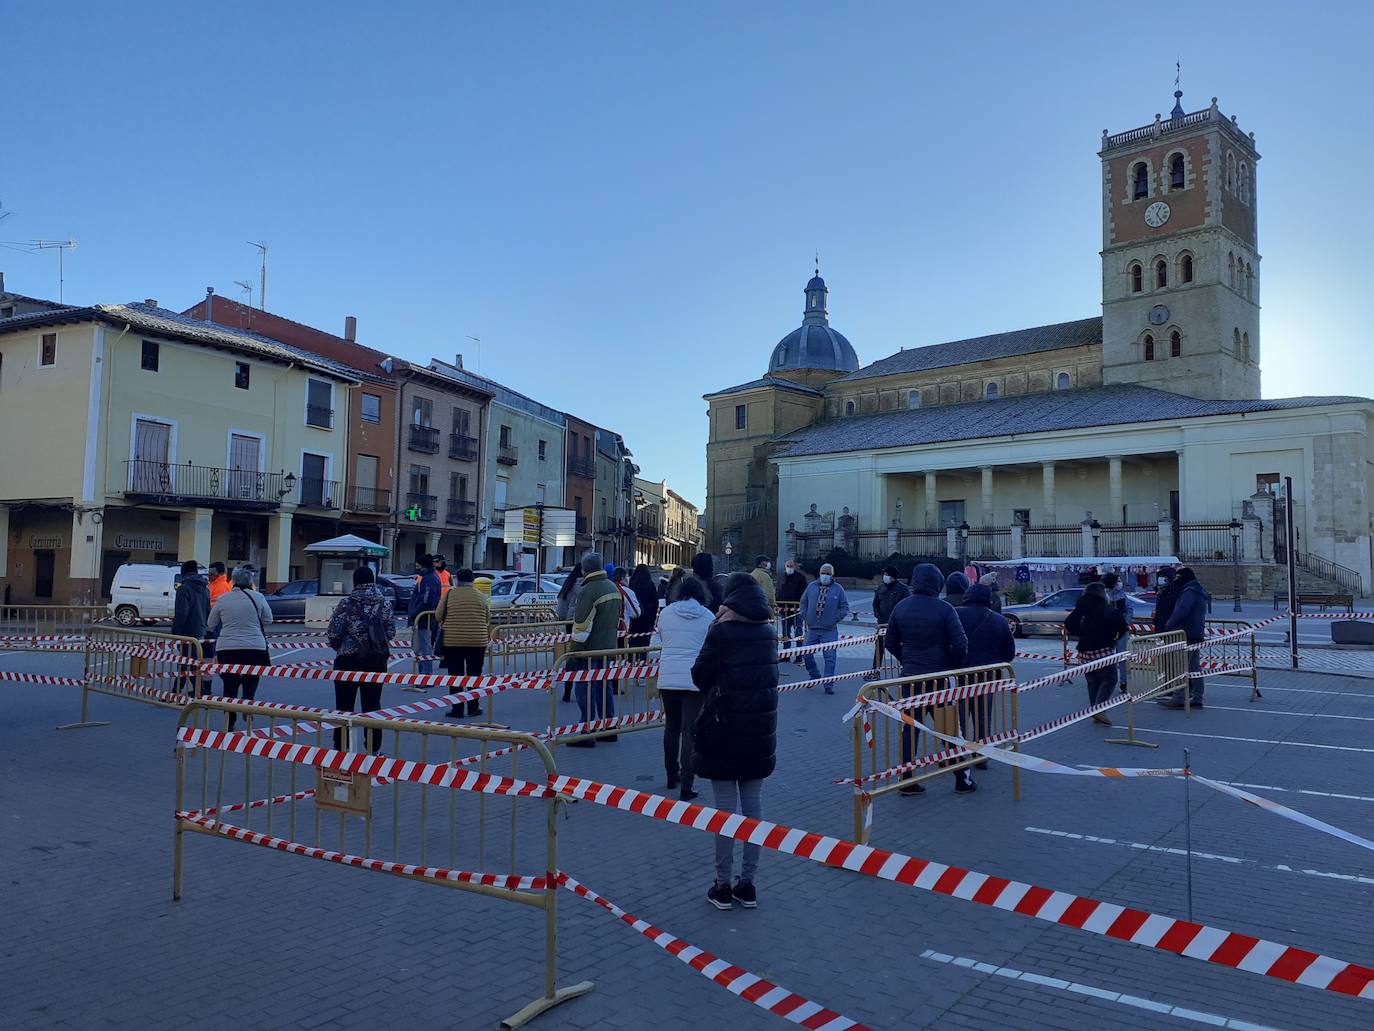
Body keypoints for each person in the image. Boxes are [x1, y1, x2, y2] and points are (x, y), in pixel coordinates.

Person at [691, 572, 778, 911]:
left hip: (724, 729)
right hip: (759, 732)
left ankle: (722, 885)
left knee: (725, 811)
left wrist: (716, 626)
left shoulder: (722, 631)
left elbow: (699, 676)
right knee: (753, 808)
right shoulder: (769, 633)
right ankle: (749, 883)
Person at [884, 564, 973, 794]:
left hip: (911, 678)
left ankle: (907, 778)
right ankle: (961, 778)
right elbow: (961, 643)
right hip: (938, 677)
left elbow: (890, 641)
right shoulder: (944, 609)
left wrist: (907, 659)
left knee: (910, 728)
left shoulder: (901, 607)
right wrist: (952, 664)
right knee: (948, 729)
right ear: (937, 583)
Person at [655, 576, 713, 800]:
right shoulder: (708, 616)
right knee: (690, 730)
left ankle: (671, 774)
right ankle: (687, 784)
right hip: (694, 679)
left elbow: (662, 635)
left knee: (671, 726)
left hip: (668, 677)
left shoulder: (667, 613)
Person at [327, 566, 397, 754]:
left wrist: (343, 646)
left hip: (347, 661)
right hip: (375, 660)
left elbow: (333, 633)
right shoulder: (385, 603)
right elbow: (390, 633)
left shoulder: (346, 604)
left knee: (343, 706)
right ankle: (373, 749)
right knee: (372, 705)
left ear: (355, 582)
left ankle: (341, 748)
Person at [953, 580, 1015, 762]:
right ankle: (981, 754)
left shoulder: (956, 614)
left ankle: (960, 752)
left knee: (960, 716)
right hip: (987, 676)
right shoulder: (1000, 620)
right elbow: (1009, 653)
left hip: (959, 675)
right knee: (983, 715)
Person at [565, 552, 622, 747]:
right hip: (608, 647)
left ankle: (586, 732)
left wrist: (574, 653)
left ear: (584, 569)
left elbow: (581, 625)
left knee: (585, 688)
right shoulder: (612, 587)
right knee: (603, 687)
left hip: (589, 650)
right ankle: (608, 728)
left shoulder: (588, 590)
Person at [206, 567, 273, 728]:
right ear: (250, 582)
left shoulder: (223, 599)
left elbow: (210, 624)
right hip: (255, 647)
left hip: (227, 648)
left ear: (234, 581)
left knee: (230, 685)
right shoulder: (258, 597)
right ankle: (247, 706)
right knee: (251, 680)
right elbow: (268, 619)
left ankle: (230, 721)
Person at [1064, 582, 1128, 725]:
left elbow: (1069, 623)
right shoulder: (1104, 607)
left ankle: (1094, 709)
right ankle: (1099, 709)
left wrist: (1082, 633)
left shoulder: (1081, 607)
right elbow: (1121, 624)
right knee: (1109, 679)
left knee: (1092, 681)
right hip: (1102, 649)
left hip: (1085, 650)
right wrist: (1113, 636)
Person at [435, 568, 490, 718]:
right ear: (473, 581)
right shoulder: (481, 596)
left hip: (453, 642)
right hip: (477, 641)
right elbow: (487, 619)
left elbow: (438, 616)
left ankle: (457, 709)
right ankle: (473, 708)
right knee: (474, 675)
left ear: (457, 580)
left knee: (456, 676)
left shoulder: (449, 595)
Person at [1160, 567, 1210, 709]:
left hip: (1186, 633)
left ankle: (1180, 697)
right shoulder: (1198, 591)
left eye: (1178, 577)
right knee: (1194, 667)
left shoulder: (1189, 592)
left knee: (1182, 666)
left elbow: (1181, 611)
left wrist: (1168, 624)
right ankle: (1197, 697)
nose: (1176, 580)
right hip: (1196, 633)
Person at [797, 563, 849, 691]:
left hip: (829, 630)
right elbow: (803, 602)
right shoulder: (811, 587)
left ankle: (828, 684)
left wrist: (835, 619)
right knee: (806, 654)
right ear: (819, 573)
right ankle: (814, 675)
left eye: (828, 574)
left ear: (832, 575)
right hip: (812, 629)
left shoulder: (838, 589)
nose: (825, 576)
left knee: (830, 658)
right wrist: (805, 615)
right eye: (823, 573)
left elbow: (844, 607)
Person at [171, 560, 210, 693]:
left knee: (187, 662)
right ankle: (177, 690)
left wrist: (175, 632)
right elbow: (207, 609)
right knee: (189, 661)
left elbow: (182, 612)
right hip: (200, 629)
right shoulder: (205, 588)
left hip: (187, 630)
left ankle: (199, 690)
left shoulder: (184, 588)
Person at [869, 565, 909, 678]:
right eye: (884, 575)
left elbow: (906, 606)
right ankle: (875, 671)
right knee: (879, 648)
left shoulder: (903, 589)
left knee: (897, 647)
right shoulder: (881, 588)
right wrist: (878, 615)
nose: (885, 577)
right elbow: (875, 603)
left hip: (897, 626)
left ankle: (906, 668)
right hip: (882, 624)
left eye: (887, 575)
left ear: (893, 577)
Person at [408, 555, 442, 674]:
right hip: (422, 617)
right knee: (419, 648)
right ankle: (424, 674)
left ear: (424, 567)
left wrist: (415, 613)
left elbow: (426, 600)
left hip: (423, 618)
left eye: (418, 566)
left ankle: (426, 675)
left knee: (423, 648)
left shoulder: (429, 579)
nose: (417, 569)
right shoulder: (427, 578)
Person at [554, 565, 584, 702]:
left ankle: (567, 689)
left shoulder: (568, 586)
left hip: (569, 623)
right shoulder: (587, 586)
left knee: (572, 656)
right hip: (584, 622)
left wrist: (564, 617)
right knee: (586, 655)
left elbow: (560, 610)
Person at [1102, 571, 1130, 691]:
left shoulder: (1122, 595)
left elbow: (1129, 609)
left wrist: (1126, 622)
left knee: (1122, 656)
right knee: (1107, 657)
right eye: (1117, 580)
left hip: (1122, 629)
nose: (1120, 583)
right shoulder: (1104, 595)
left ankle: (1124, 682)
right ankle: (1107, 681)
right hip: (1107, 630)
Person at [775, 558, 807, 649]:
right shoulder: (782, 577)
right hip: (784, 610)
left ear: (795, 567)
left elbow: (804, 592)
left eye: (791, 566)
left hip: (797, 609)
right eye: (787, 566)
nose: (789, 568)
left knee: (798, 632)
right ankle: (786, 653)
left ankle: (799, 655)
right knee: (785, 632)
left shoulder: (800, 577)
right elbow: (778, 591)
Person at [628, 563, 659, 646]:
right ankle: (644, 658)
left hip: (634, 617)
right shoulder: (650, 584)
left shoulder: (632, 583)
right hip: (647, 618)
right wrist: (653, 617)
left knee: (633, 642)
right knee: (644, 643)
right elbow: (655, 602)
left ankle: (632, 658)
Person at [1152, 566, 1180, 633]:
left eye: (1163, 576)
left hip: (1170, 630)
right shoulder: (1163, 593)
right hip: (1162, 628)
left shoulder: (1174, 593)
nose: (1160, 579)